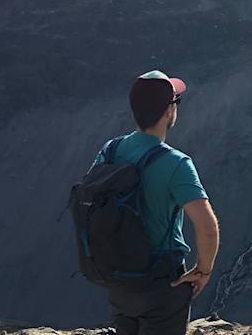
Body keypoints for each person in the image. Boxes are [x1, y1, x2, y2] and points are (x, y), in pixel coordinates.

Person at [94, 70, 220, 335]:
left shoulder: (110, 151)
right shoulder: (176, 163)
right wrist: (203, 270)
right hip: (163, 283)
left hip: (119, 279)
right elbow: (207, 227)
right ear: (168, 111)